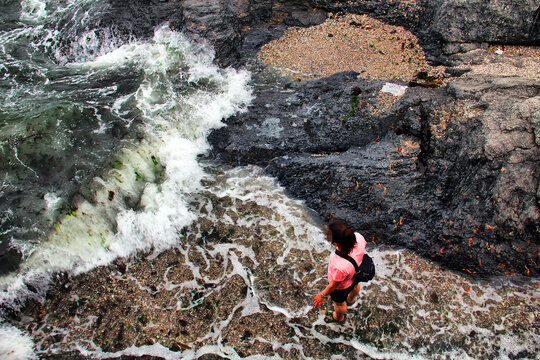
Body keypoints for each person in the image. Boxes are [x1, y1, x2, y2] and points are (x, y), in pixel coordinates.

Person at [312, 219, 368, 323]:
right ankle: (351, 299)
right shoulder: (359, 237)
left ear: (336, 244)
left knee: (339, 303)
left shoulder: (339, 266)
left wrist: (322, 295)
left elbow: (334, 285)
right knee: (355, 286)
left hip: (342, 286)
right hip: (356, 274)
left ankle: (338, 317)